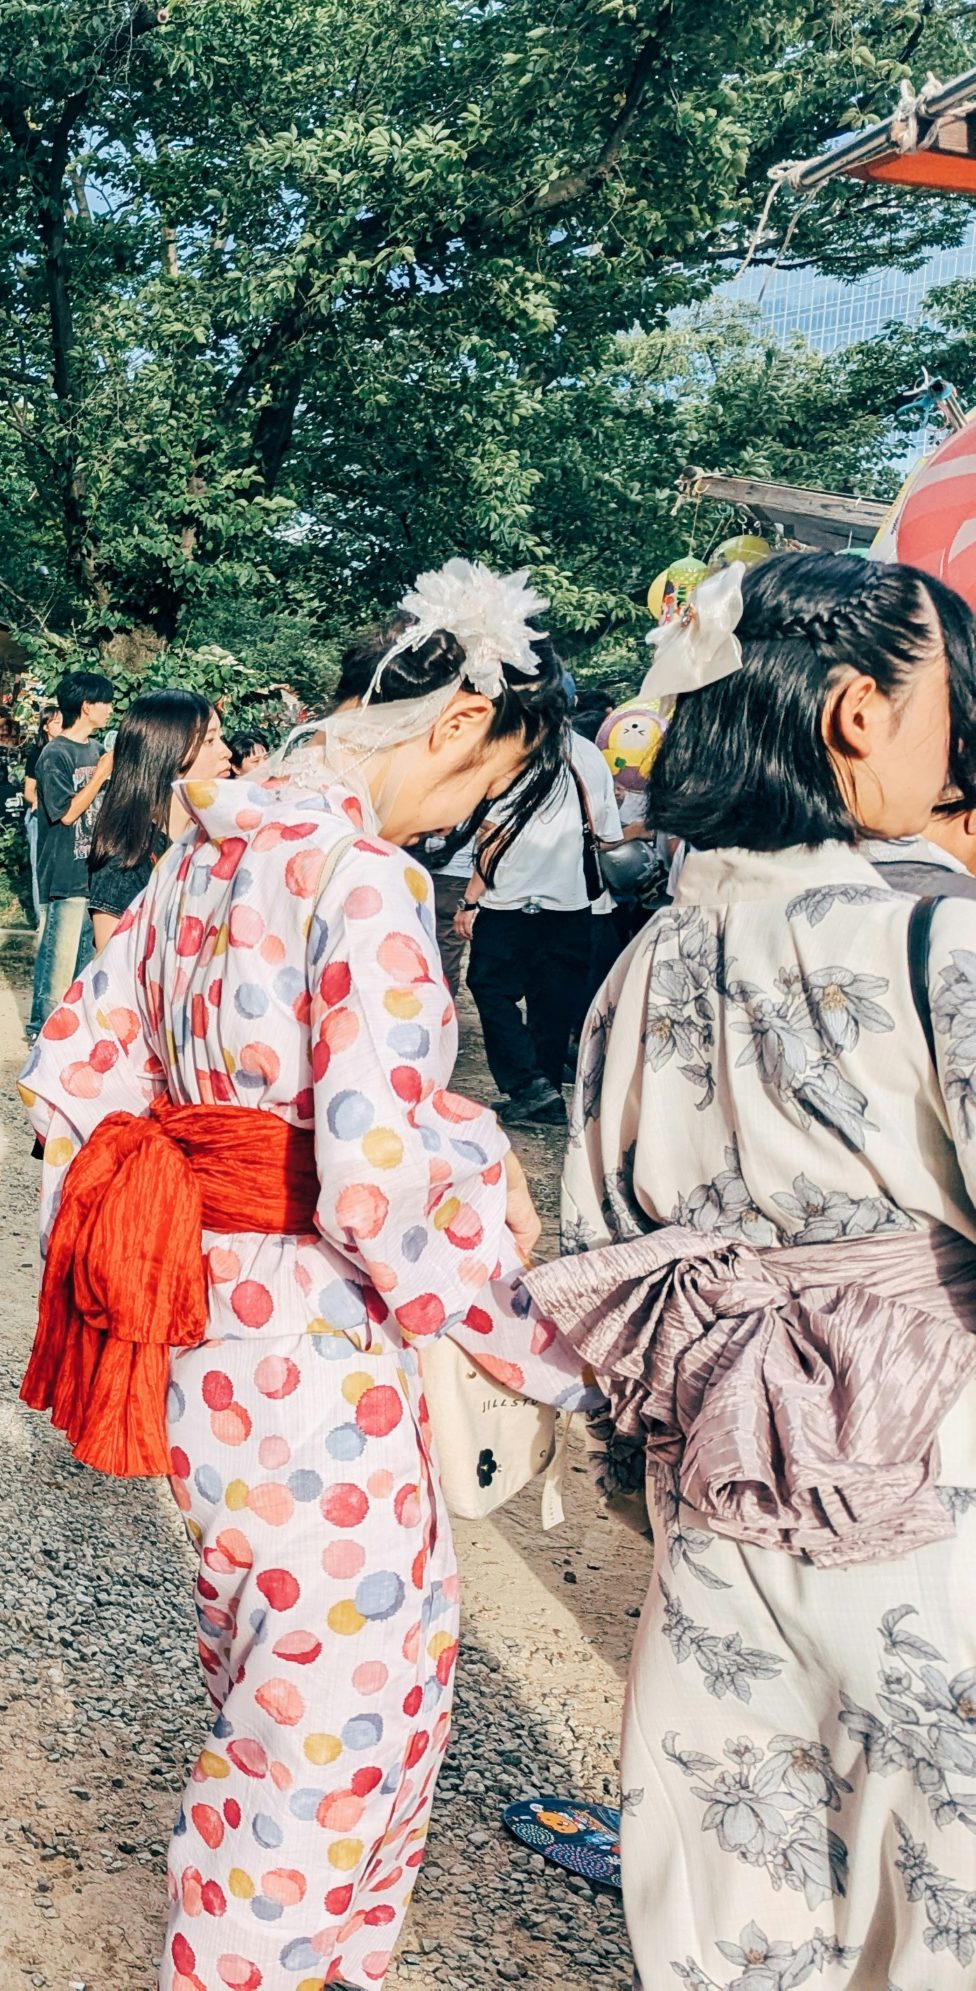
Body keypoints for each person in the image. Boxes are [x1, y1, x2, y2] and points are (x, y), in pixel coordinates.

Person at [20, 563, 598, 1991]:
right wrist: (548, 1349)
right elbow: (379, 1195)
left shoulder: (207, 852)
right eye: (486, 786)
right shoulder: (363, 880)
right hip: (323, 1341)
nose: (462, 818)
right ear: (458, 721)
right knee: (334, 1723)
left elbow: (77, 1068)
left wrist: (176, 1216)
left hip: (212, 1330)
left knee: (282, 1671)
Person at [542, 549, 976, 1988]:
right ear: (859, 714)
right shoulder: (937, 938)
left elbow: (599, 1243)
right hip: (933, 1488)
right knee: (941, 1892)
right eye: (943, 704)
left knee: (730, 1879)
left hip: (714, 1482)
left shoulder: (650, 956)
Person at [455, 714, 623, 1124]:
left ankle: (529, 1084)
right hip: (571, 903)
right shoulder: (588, 754)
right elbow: (607, 833)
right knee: (553, 1000)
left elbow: (493, 834)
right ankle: (544, 1092)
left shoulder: (516, 753)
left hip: (509, 900)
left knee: (490, 987)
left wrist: (471, 898)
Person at [82, 690, 228, 952]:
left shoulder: (206, 840)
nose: (226, 752)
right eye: (210, 740)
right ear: (169, 750)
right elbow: (112, 974)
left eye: (221, 738)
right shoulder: (127, 859)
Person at [25, 673, 115, 1039]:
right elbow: (65, 813)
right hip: (64, 868)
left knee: (84, 961)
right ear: (87, 706)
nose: (110, 709)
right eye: (105, 702)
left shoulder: (97, 751)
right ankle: (43, 1030)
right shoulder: (55, 754)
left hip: (95, 869)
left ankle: (71, 1031)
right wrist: (100, 775)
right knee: (58, 959)